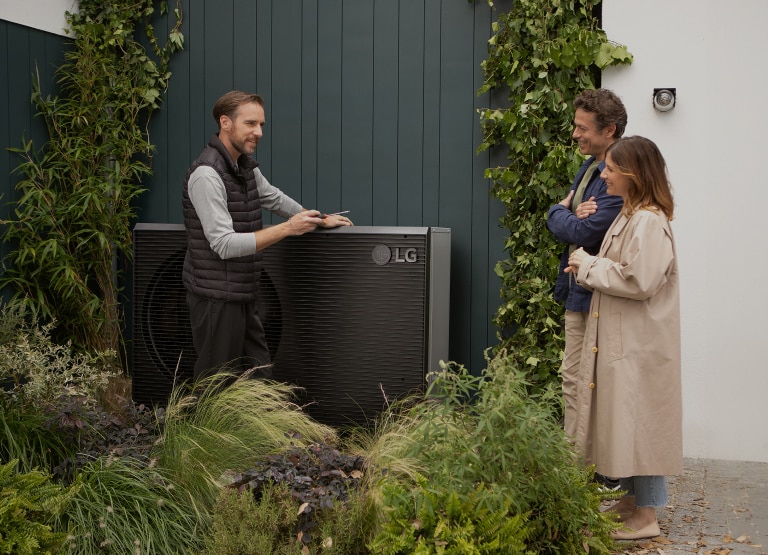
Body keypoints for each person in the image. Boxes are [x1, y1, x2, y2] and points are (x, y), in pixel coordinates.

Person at [182, 90, 353, 380]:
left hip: (243, 292)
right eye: (250, 123)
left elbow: (272, 197)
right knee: (214, 384)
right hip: (215, 298)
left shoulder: (243, 167)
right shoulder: (207, 175)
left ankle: (266, 426)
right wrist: (289, 228)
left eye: (261, 124)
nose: (258, 132)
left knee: (260, 377)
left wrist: (318, 218)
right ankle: (198, 426)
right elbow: (223, 244)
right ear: (226, 123)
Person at [565, 136, 682, 540]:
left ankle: (646, 517)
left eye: (612, 169)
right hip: (626, 339)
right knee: (628, 421)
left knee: (641, 422)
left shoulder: (648, 220)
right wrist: (591, 264)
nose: (605, 174)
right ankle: (631, 504)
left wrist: (586, 262)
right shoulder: (633, 214)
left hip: (638, 343)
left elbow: (639, 279)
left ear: (633, 174)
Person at [547, 88, 627, 439]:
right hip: (577, 290)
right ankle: (579, 466)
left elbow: (587, 230)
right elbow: (569, 222)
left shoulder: (617, 174)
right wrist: (563, 213)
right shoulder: (590, 167)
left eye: (583, 127)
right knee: (574, 378)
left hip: (597, 295)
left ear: (608, 130)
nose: (575, 133)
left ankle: (582, 469)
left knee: (584, 380)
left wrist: (559, 212)